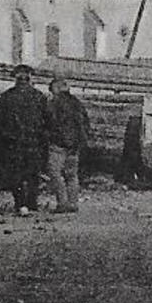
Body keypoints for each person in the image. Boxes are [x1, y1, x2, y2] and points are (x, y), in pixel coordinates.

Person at [0, 65, 47, 215]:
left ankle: (20, 204)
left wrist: (6, 136)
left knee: (16, 174)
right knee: (33, 173)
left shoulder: (7, 96)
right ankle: (31, 203)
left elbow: (0, 121)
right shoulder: (39, 96)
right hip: (33, 141)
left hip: (15, 141)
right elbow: (46, 121)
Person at [44, 76, 91, 213]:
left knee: (54, 173)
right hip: (74, 145)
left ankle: (62, 202)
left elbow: (49, 122)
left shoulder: (53, 103)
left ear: (56, 88)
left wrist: (49, 137)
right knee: (72, 175)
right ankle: (73, 203)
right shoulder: (77, 103)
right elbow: (85, 124)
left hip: (58, 144)